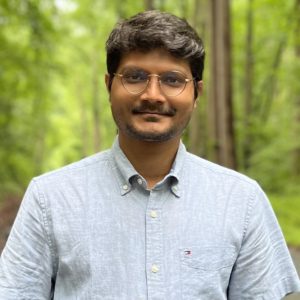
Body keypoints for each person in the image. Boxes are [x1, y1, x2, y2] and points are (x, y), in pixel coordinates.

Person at [0, 10, 299, 300]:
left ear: (197, 93)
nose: (153, 95)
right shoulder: (49, 198)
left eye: (172, 80)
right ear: (108, 86)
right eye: (134, 76)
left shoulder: (241, 201)